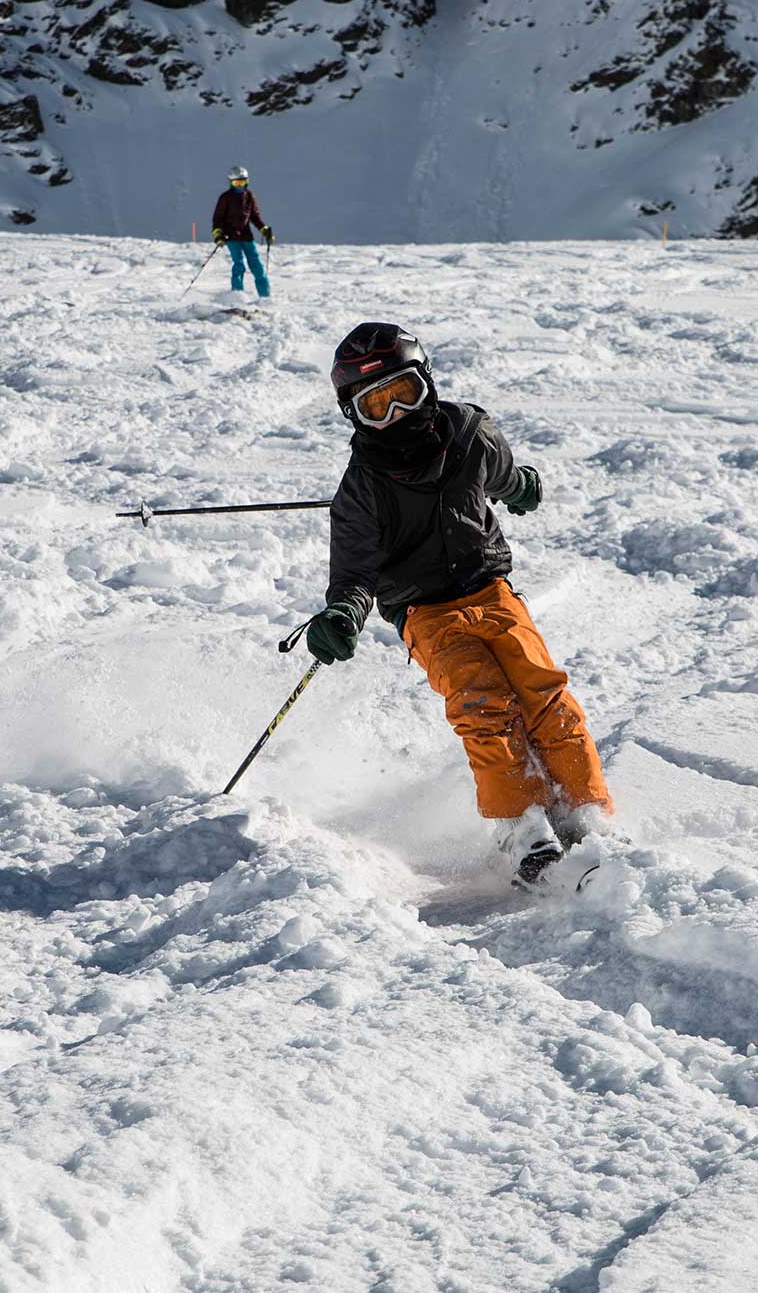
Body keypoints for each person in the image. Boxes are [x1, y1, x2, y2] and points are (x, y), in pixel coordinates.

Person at [300, 322, 615, 887]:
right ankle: (521, 828)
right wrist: (344, 613)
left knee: (544, 691)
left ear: (427, 382)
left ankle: (584, 812)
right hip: (425, 611)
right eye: (376, 405)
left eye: (403, 393)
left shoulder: (470, 432)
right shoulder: (362, 487)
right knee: (483, 704)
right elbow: (353, 572)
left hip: (491, 589)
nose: (395, 414)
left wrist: (519, 485)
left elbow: (499, 473)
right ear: (354, 414)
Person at [210, 166, 273, 302]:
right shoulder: (225, 198)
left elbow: (255, 217)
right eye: (237, 183)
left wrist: (264, 229)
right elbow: (217, 219)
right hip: (231, 237)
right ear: (231, 183)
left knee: (257, 266)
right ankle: (236, 296)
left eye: (243, 182)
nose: (240, 186)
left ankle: (266, 297)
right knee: (239, 265)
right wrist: (218, 234)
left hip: (246, 237)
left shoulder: (249, 196)